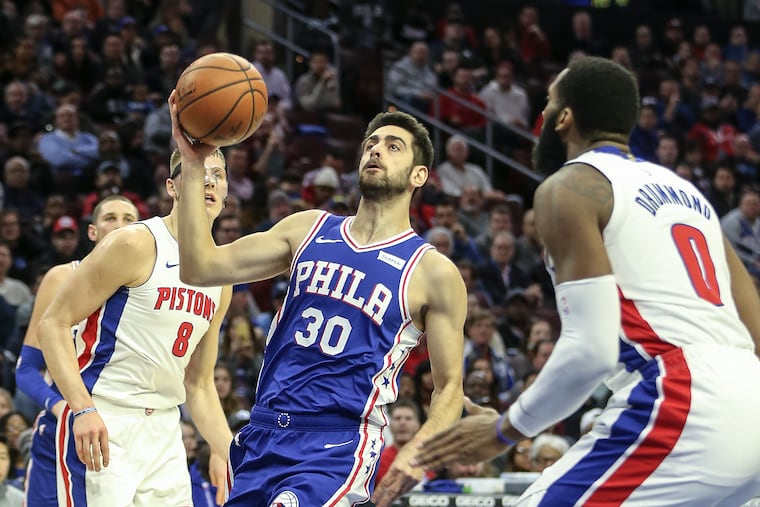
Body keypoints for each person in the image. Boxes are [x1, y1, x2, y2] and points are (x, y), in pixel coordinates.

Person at [413, 56, 760, 506]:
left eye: (548, 103)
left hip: (680, 398)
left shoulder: (571, 186)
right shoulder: (692, 196)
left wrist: (504, 430)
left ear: (565, 117)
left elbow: (591, 349)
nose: (541, 115)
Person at [170, 89, 466, 507]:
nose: (376, 151)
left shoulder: (432, 271)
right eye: (371, 144)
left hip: (337, 444)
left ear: (419, 175)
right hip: (264, 432)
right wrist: (194, 161)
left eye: (393, 146)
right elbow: (199, 267)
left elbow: (450, 387)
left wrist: (416, 455)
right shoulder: (308, 228)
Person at [36, 149, 233, 506]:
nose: (209, 181)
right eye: (199, 172)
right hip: (105, 417)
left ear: (227, 192)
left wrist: (229, 452)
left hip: (165, 430)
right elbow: (53, 323)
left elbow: (200, 383)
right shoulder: (136, 242)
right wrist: (81, 408)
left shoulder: (221, 276)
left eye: (218, 175)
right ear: (173, 187)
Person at [16, 195, 138, 507]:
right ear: (93, 231)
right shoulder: (62, 277)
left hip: (122, 434)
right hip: (61, 431)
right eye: (110, 218)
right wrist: (62, 407)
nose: (120, 226)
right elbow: (27, 369)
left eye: (129, 219)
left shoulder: (146, 291)